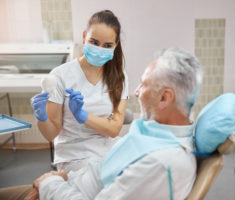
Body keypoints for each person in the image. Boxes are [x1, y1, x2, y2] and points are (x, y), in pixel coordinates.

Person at [0, 47, 203, 200]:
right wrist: (64, 178)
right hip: (68, 183)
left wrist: (49, 184)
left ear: (164, 98)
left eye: (144, 85)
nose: (136, 92)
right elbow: (107, 167)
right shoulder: (154, 136)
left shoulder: (162, 163)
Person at [30, 10, 128, 172]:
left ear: (115, 45)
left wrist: (83, 116)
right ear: (84, 37)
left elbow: (114, 129)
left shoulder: (119, 77)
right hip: (74, 154)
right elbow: (50, 134)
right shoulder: (60, 76)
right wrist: (41, 117)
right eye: (94, 42)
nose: (99, 49)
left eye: (107, 45)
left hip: (109, 149)